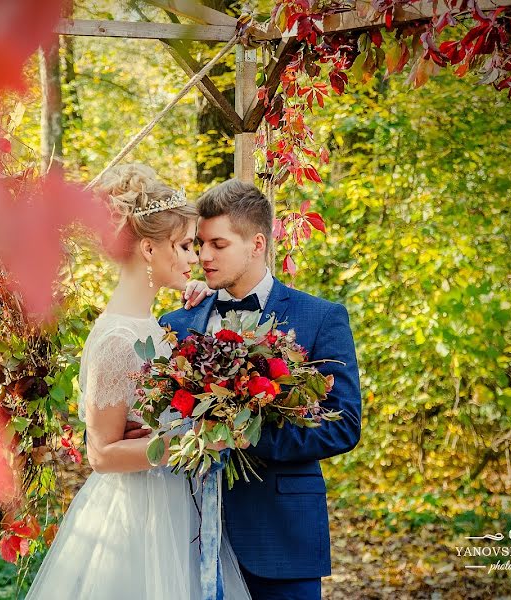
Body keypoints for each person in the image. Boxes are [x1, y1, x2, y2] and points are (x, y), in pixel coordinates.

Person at [24, 164, 251, 600]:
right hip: (135, 518)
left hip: (172, 507)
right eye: (184, 246)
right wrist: (192, 443)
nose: (194, 258)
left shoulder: (151, 327)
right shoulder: (116, 340)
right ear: (149, 250)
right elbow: (102, 453)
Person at [157, 179, 363, 600]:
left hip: (280, 536)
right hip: (186, 534)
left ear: (256, 244)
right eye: (199, 244)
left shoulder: (320, 318)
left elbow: (343, 425)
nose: (204, 256)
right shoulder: (178, 323)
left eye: (218, 243)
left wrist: (245, 434)